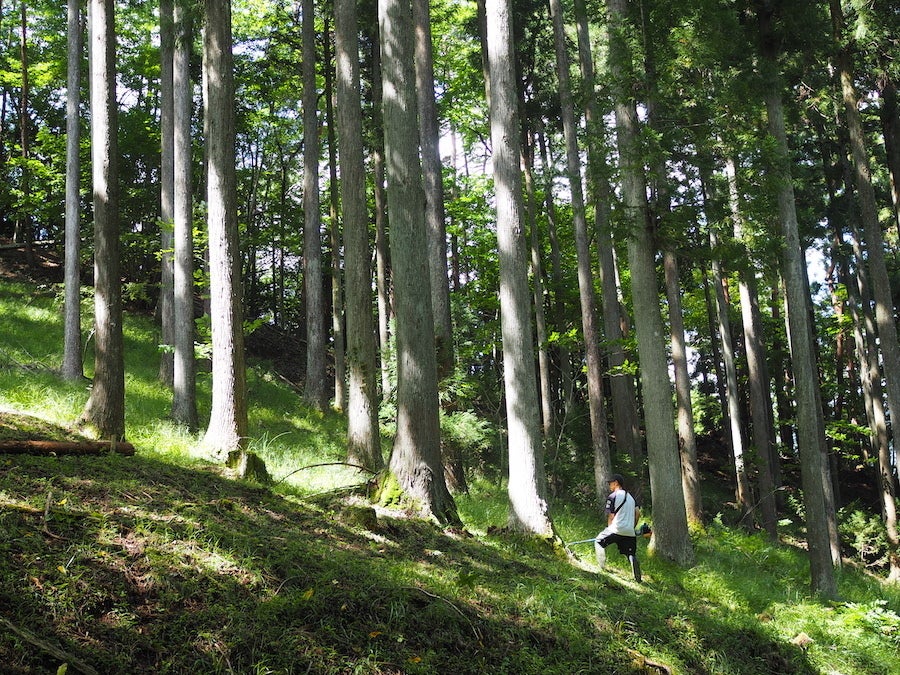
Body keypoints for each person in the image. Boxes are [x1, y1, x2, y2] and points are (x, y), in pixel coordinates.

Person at [595, 473, 642, 582]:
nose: (609, 485)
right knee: (630, 554)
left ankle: (602, 567)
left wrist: (609, 529)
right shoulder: (631, 498)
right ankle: (637, 577)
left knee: (598, 541)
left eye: (610, 483)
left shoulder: (613, 496)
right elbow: (638, 514)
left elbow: (611, 516)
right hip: (629, 532)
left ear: (616, 483)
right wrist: (632, 527)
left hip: (616, 529)